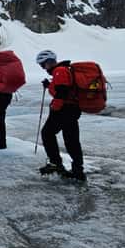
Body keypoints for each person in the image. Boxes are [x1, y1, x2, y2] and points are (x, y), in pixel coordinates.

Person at [36, 49, 86, 182]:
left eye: (43, 64)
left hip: (64, 110)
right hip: (72, 109)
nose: (43, 67)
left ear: (49, 62)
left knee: (47, 133)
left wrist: (55, 107)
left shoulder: (60, 71)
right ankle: (78, 170)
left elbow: (62, 92)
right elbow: (63, 89)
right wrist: (50, 86)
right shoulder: (63, 70)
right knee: (71, 139)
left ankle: (56, 164)